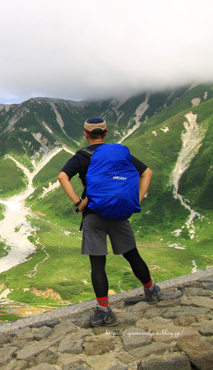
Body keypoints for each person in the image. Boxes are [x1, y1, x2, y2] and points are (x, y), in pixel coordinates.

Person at [57, 117, 161, 327]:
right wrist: (135, 199)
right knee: (132, 255)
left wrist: (79, 202)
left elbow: (62, 177)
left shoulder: (82, 156)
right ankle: (151, 291)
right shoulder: (119, 153)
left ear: (86, 134)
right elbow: (147, 172)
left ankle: (104, 312)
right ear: (105, 132)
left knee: (98, 264)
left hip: (93, 215)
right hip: (119, 214)